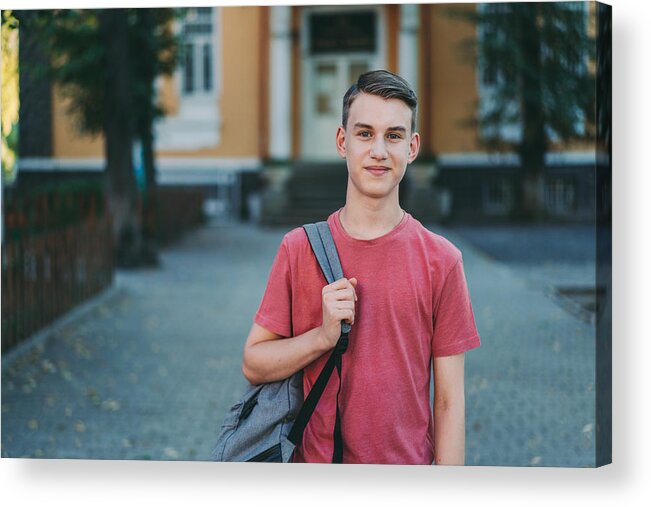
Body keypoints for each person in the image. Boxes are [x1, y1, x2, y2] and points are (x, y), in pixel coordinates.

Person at [242, 69, 480, 465]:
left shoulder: (442, 261)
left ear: (412, 147)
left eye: (394, 135)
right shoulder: (299, 249)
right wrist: (321, 337)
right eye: (365, 133)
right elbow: (253, 363)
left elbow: (450, 402)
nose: (379, 151)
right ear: (342, 141)